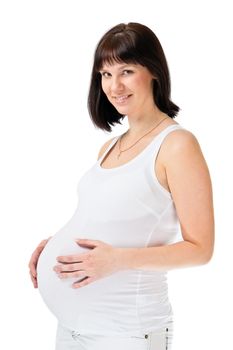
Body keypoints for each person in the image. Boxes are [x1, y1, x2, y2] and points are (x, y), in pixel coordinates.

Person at [28, 22, 215, 350]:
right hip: (72, 331)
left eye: (126, 71)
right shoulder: (110, 147)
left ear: (154, 71)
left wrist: (118, 260)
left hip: (127, 333)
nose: (114, 86)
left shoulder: (176, 145)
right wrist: (54, 245)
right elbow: (105, 218)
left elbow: (201, 249)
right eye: (105, 74)